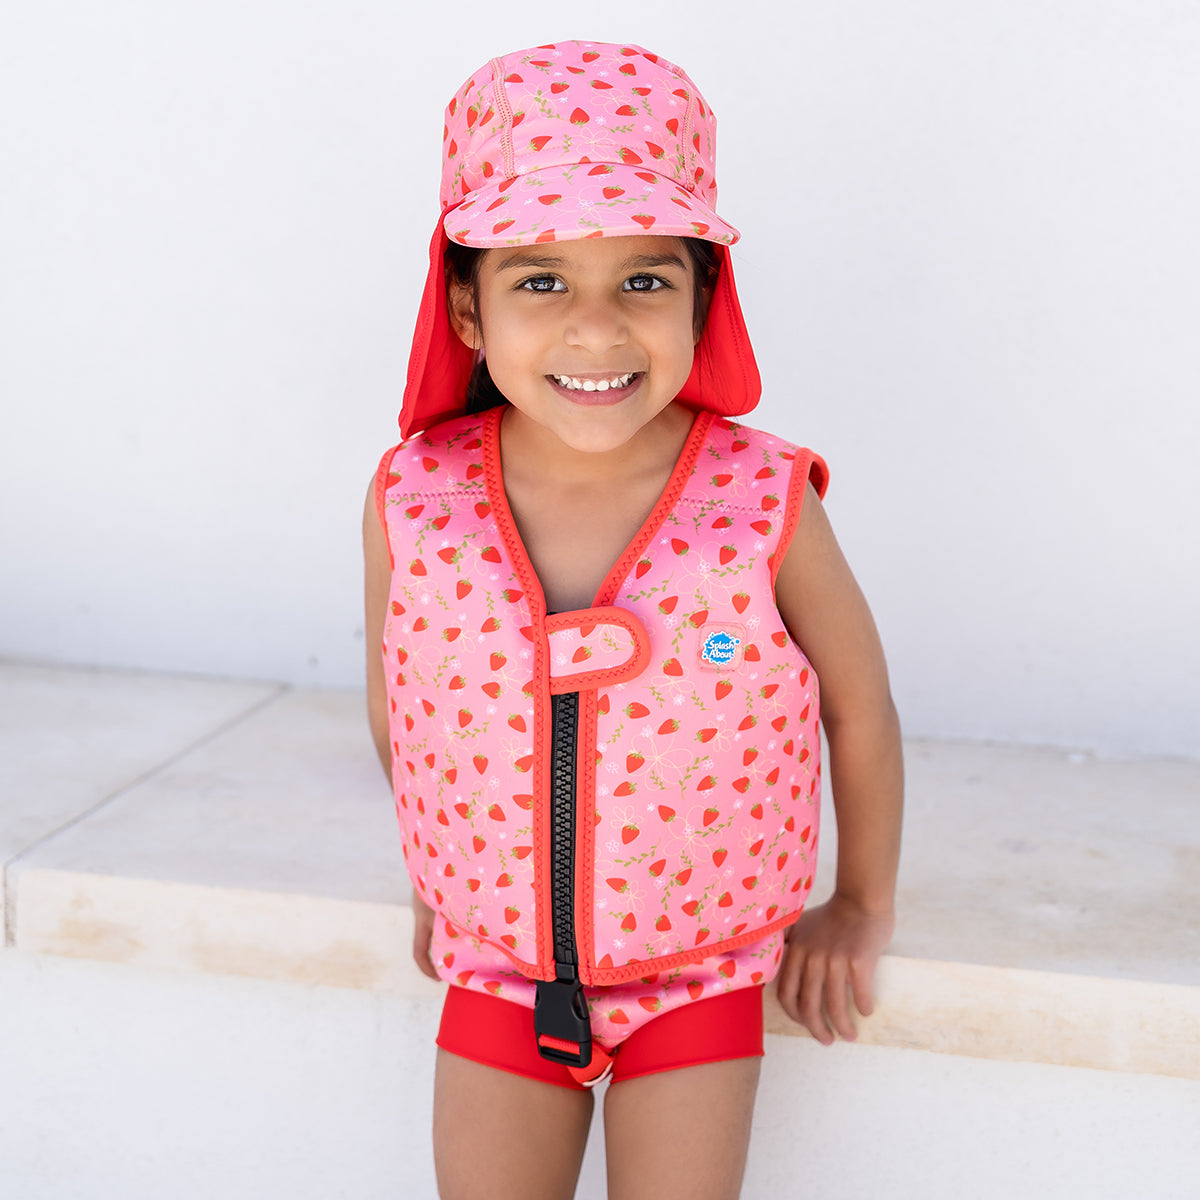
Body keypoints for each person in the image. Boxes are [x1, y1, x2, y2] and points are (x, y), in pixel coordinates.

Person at [363, 39, 903, 1200]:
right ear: (466, 306)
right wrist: (438, 878)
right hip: (498, 971)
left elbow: (858, 706)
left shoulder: (762, 500)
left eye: (644, 282)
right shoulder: (415, 496)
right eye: (541, 280)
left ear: (705, 296)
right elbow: (401, 702)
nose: (598, 330)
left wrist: (860, 902)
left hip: (700, 972)